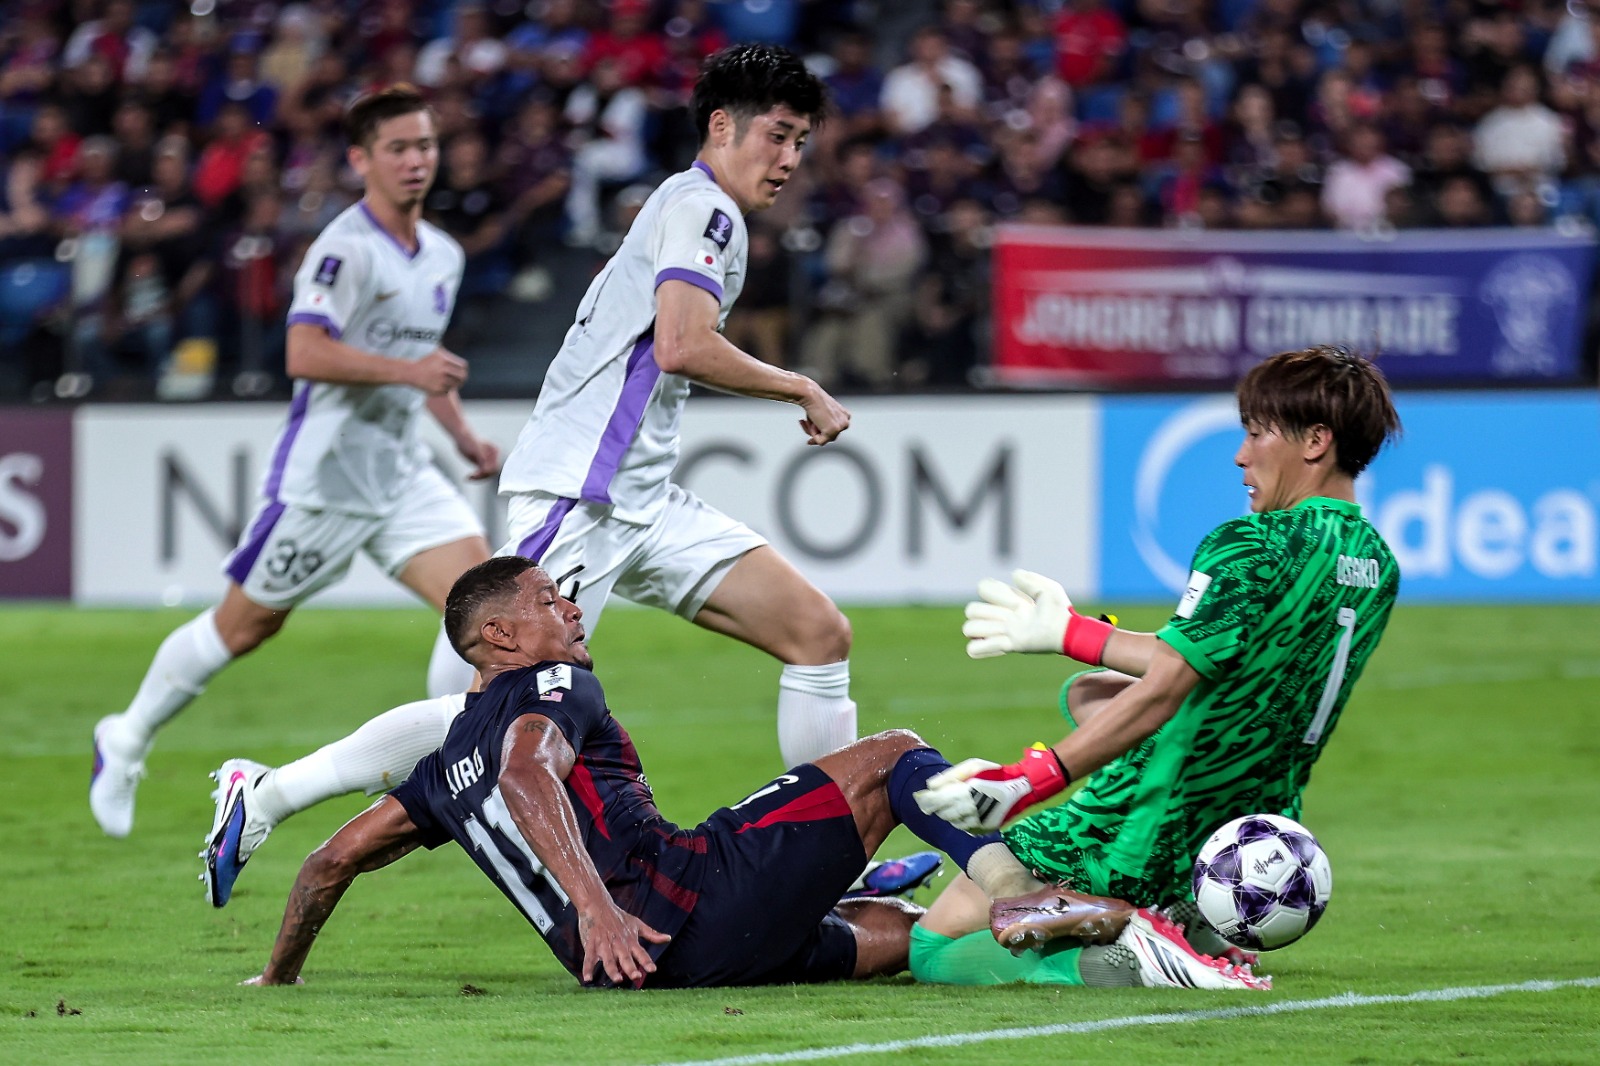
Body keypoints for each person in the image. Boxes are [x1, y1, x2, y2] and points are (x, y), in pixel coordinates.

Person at [202, 44, 865, 906]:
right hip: (581, 495)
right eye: (777, 135)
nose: (789, 158)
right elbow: (682, 344)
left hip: (640, 497)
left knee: (818, 633)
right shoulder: (705, 210)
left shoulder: (689, 206)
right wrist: (799, 385)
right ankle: (267, 793)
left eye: (801, 142)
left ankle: (830, 871)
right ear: (721, 127)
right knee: (484, 720)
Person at [238, 556, 1193, 990]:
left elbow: (328, 863)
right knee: (895, 754)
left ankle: (1118, 954)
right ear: (501, 636)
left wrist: (276, 978)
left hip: (639, 972)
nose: (572, 609)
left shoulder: (442, 769)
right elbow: (530, 772)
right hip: (689, 901)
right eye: (549, 600)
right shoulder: (554, 684)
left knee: (911, 941)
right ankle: (1017, 892)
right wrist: (597, 904)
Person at [909, 345, 1402, 989]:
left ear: (1316, 441)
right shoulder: (1376, 564)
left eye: (1258, 433)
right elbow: (1223, 661)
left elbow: (1166, 686)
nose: (1241, 455)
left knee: (931, 947)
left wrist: (1028, 780)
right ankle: (1183, 925)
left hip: (1141, 824)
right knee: (1089, 691)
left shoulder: (1253, 544)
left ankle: (1135, 952)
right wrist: (1073, 633)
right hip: (1236, 837)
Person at [90, 85, 501, 839]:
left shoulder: (442, 253)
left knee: (485, 613)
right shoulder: (343, 249)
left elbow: (421, 359)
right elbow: (304, 352)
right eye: (398, 148)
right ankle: (126, 735)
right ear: (361, 159)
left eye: (425, 145)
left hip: (401, 472)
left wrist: (461, 434)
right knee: (243, 628)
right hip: (326, 478)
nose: (416, 161)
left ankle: (448, 770)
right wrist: (411, 374)